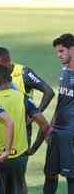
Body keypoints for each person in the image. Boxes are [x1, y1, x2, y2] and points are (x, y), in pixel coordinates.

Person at [0, 64, 52, 194]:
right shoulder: (23, 98)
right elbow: (44, 125)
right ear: (10, 80)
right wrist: (34, 148)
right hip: (19, 157)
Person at [0, 47, 54, 147]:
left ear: (7, 61)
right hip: (1, 126)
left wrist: (35, 114)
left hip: (22, 128)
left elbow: (49, 92)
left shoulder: (24, 73)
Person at [43, 33, 74, 194]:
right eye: (57, 52)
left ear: (72, 49)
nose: (58, 55)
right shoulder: (64, 71)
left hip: (70, 134)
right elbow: (61, 102)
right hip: (57, 132)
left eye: (61, 51)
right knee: (50, 173)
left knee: (72, 176)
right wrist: (50, 128)